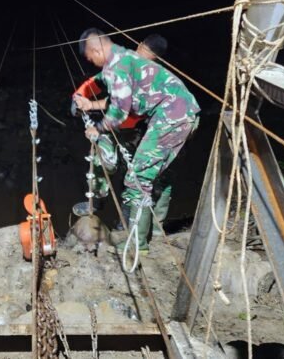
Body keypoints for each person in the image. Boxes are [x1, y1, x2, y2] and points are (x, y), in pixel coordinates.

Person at [72, 29, 199, 253]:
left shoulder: (119, 66)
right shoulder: (123, 58)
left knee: (137, 179)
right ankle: (155, 233)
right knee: (153, 175)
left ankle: (137, 244)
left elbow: (118, 113)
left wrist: (96, 129)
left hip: (172, 117)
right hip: (179, 113)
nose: (92, 63)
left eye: (91, 58)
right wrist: (85, 100)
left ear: (96, 49)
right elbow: (105, 86)